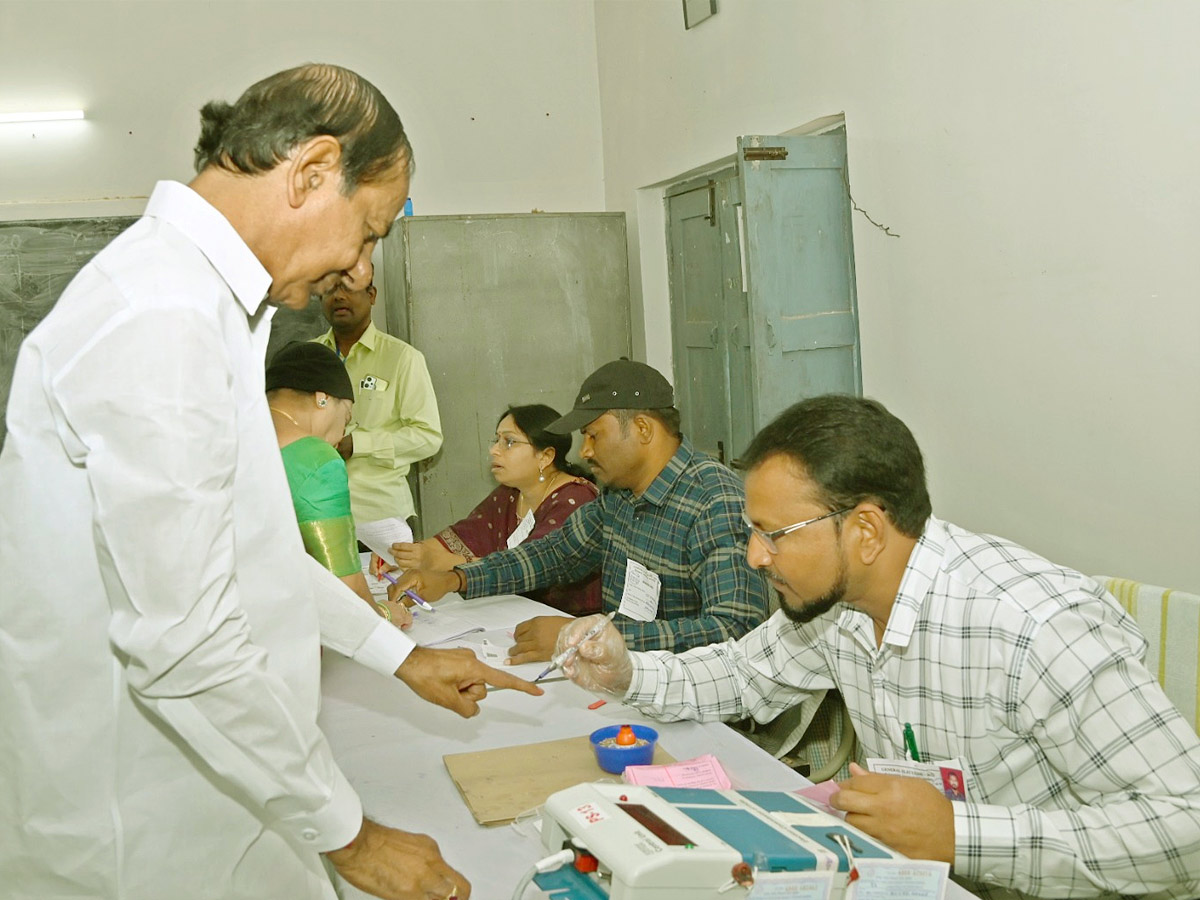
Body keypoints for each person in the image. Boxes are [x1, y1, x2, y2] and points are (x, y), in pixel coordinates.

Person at [0, 64, 541, 900]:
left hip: (215, 801)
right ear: (313, 171)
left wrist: (399, 656)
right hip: (140, 831)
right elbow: (184, 642)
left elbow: (247, 555)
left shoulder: (207, 309)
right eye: (366, 233)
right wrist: (352, 837)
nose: (358, 272)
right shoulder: (159, 317)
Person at [555, 394, 1200, 900]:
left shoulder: (1031, 627)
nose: (754, 556)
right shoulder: (839, 607)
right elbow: (742, 673)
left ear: (865, 528)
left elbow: (1187, 830)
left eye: (772, 535)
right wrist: (629, 673)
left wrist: (958, 835)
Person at [394, 358, 770, 664]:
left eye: (593, 435)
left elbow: (733, 629)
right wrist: (456, 579)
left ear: (642, 428)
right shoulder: (618, 494)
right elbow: (556, 554)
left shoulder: (714, 501)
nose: (585, 452)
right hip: (623, 677)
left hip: (694, 704)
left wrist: (583, 637)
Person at [391, 404, 601, 616]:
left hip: (566, 621)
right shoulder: (510, 493)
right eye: (497, 440)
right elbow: (466, 536)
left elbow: (529, 567)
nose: (494, 450)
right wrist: (405, 553)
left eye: (509, 442)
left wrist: (439, 567)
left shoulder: (575, 499)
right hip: (510, 611)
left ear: (545, 456)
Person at [266, 341, 410, 625]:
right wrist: (385, 614)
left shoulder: (231, 430)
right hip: (277, 634)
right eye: (346, 418)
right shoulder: (317, 459)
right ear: (323, 398)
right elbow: (343, 592)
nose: (341, 434)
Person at [314, 278, 441, 530]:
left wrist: (359, 444)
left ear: (371, 295)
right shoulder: (307, 357)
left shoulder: (402, 358)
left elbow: (428, 437)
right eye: (329, 290)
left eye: (348, 288)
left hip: (380, 517)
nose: (338, 296)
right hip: (317, 515)